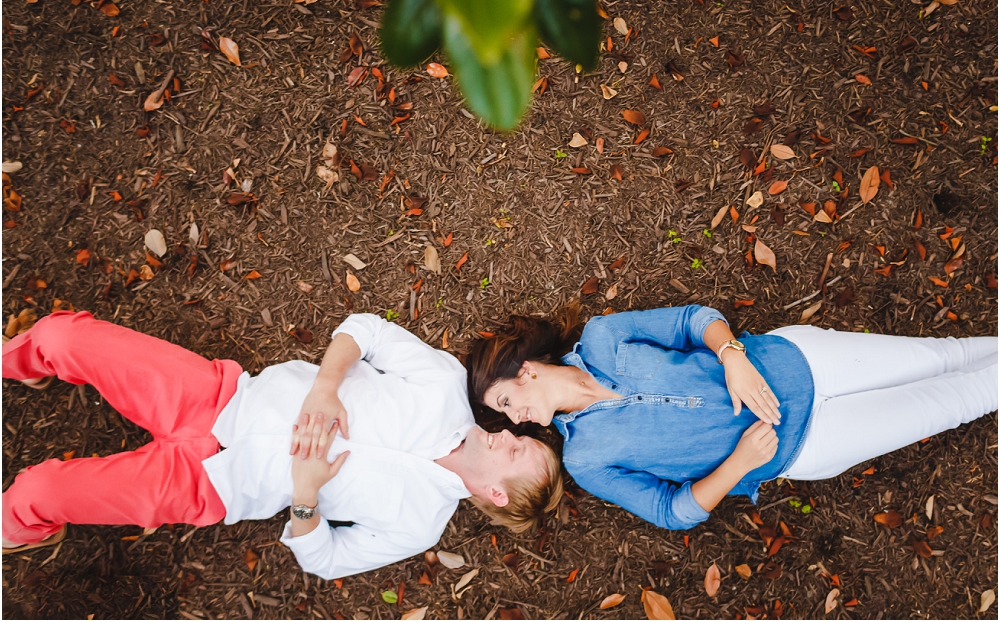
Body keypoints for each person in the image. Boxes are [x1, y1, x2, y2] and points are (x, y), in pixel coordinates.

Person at [2, 311, 562, 579]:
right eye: (521, 436)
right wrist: (325, 386)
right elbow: (364, 329)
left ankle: (17, 530)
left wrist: (305, 496)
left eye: (518, 453)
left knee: (38, 489)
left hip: (212, 483)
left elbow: (328, 561)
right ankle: (20, 362)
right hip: (218, 397)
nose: (512, 434)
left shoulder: (420, 524)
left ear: (494, 491)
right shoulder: (444, 387)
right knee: (60, 337)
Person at [465, 304, 997, 530]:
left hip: (802, 362)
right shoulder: (585, 459)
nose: (517, 420)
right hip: (807, 443)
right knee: (951, 404)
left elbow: (694, 321)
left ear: (526, 370)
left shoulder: (604, 337)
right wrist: (740, 464)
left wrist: (732, 357)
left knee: (941, 356)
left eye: (506, 402)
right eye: (506, 419)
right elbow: (671, 512)